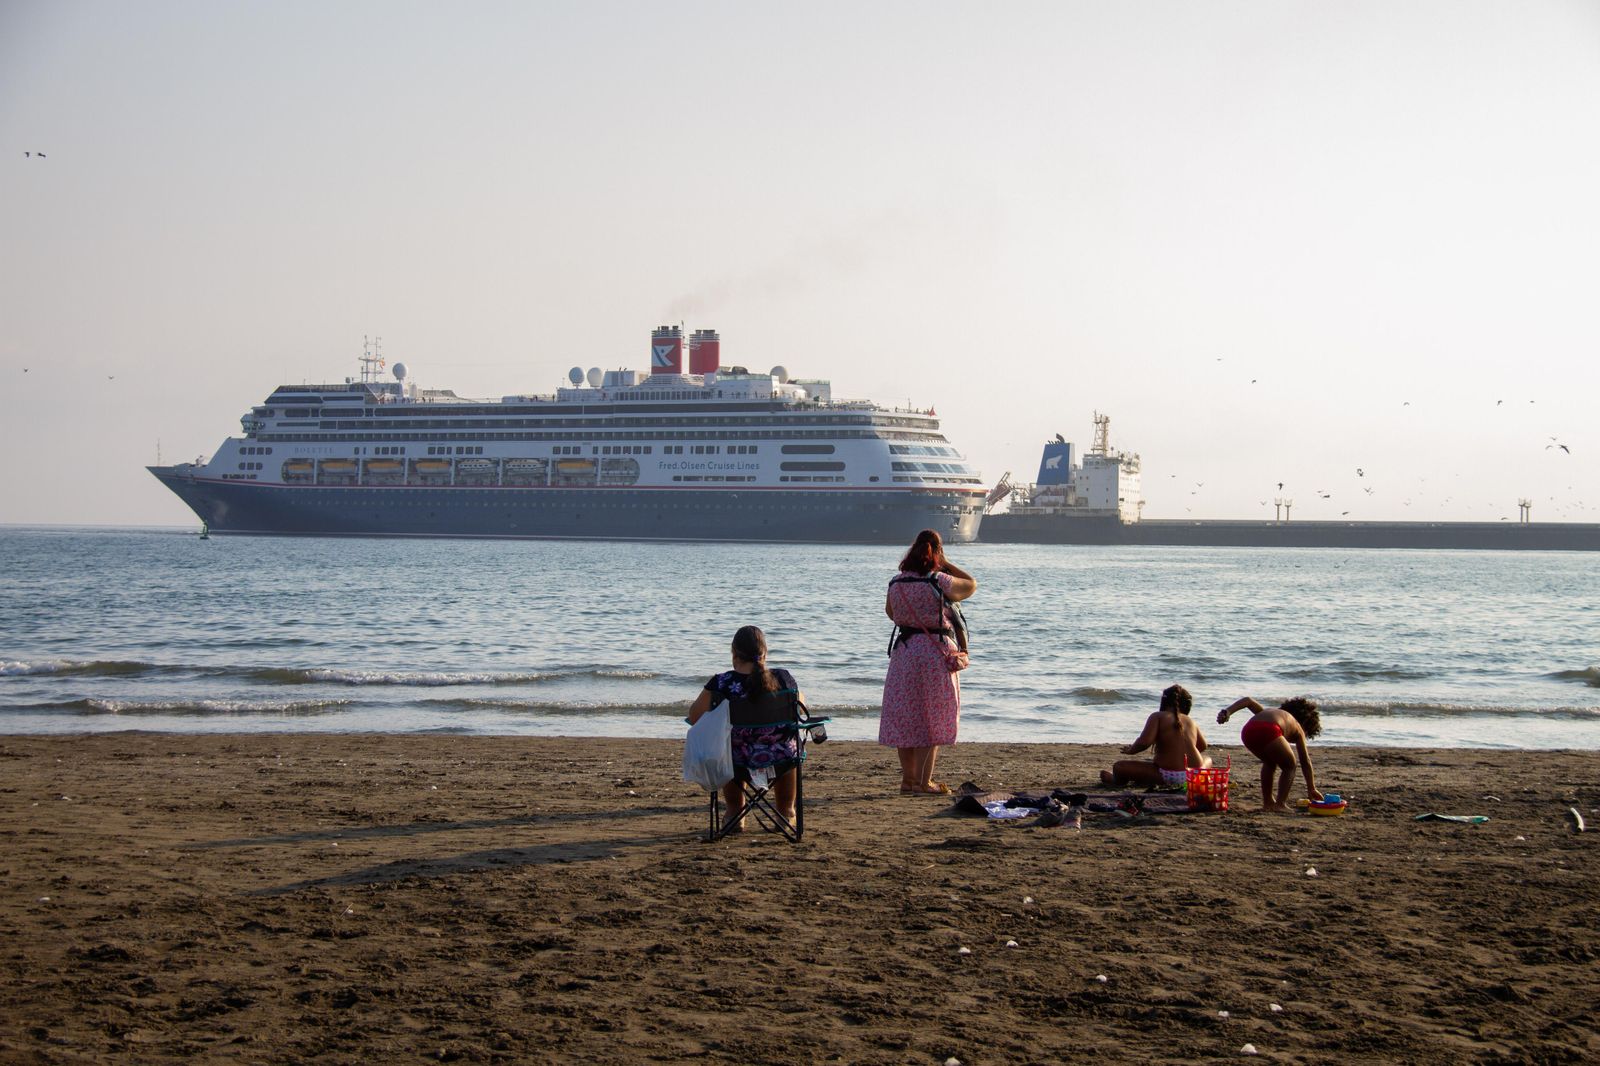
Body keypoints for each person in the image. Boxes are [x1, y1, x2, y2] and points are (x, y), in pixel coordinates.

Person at [880, 529, 977, 795]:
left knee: (907, 718)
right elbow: (970, 584)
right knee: (931, 719)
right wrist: (944, 562)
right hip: (935, 654)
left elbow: (892, 614)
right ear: (935, 553)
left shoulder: (895, 584)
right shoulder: (939, 581)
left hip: (905, 653)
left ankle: (908, 781)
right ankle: (924, 782)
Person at [687, 625, 806, 830]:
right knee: (789, 745)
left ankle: (734, 812)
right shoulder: (783, 678)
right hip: (779, 756)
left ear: (734, 654)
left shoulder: (721, 683)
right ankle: (786, 812)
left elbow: (695, 716)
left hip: (735, 758)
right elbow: (801, 711)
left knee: (725, 747)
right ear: (765, 653)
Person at [1216, 696, 1324, 812]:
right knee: (1290, 766)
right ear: (1306, 724)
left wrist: (1227, 712)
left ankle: (1268, 803)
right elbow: (1305, 761)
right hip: (1270, 730)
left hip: (1248, 731)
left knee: (1269, 762)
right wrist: (1311, 787)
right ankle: (1280, 804)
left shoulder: (1269, 713)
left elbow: (1248, 701)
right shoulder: (1298, 727)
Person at [1100, 684, 1211, 788]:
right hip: (1195, 775)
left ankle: (1115, 781)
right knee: (1207, 759)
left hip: (1169, 775)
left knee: (1119, 767)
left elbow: (1144, 742)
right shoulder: (1190, 720)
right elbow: (1202, 746)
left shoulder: (1157, 716)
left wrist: (1131, 750)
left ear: (1164, 702)